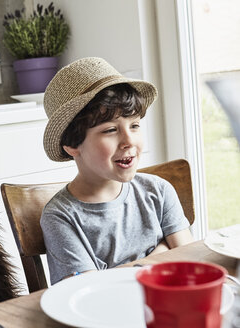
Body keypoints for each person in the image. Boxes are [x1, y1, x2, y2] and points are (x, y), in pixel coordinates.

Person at [40, 57, 194, 284]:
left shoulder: (158, 191)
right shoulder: (60, 217)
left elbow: (190, 262)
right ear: (73, 145)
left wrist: (122, 271)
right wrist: (161, 252)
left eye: (134, 125)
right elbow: (93, 291)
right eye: (111, 129)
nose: (128, 141)